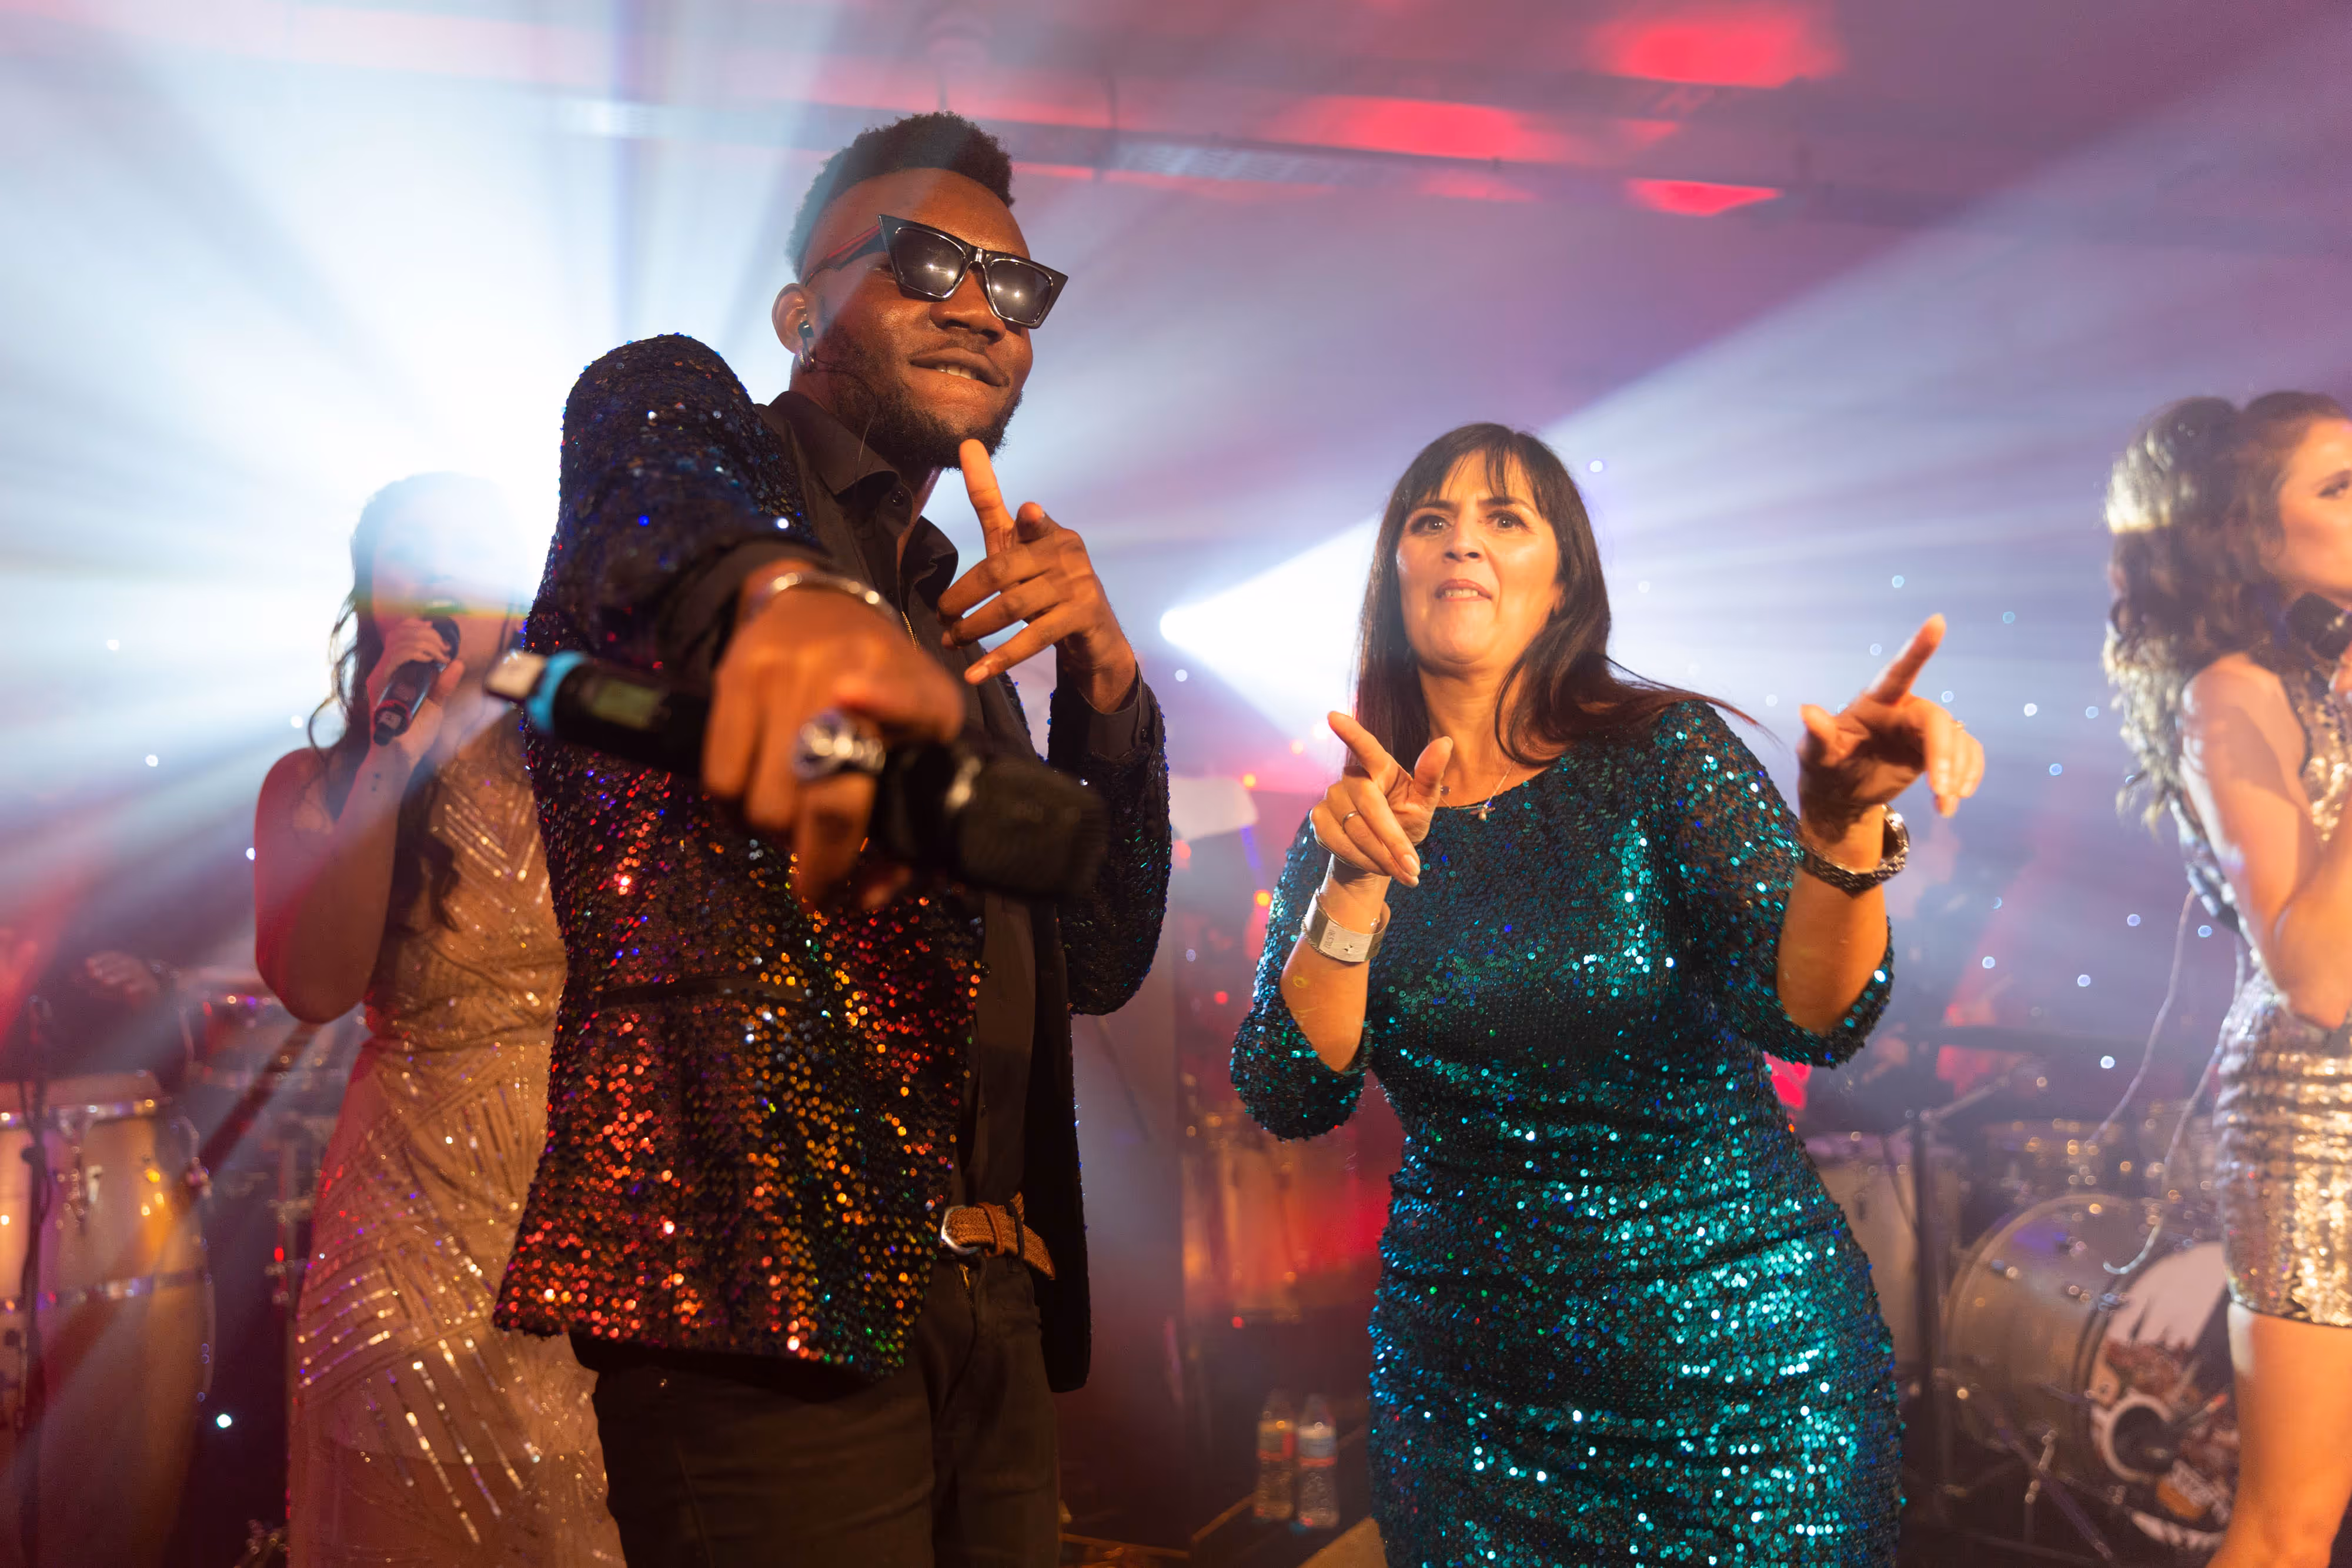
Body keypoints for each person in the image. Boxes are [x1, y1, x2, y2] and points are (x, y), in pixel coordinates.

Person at [490, 112, 1170, 1564]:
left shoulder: (960, 609)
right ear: (804, 311)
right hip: (758, 1289)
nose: (980, 304)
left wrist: (1103, 687)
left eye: (1017, 284)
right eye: (927, 258)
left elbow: (1100, 958)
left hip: (991, 1295)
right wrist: (784, 604)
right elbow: (660, 488)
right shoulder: (683, 429)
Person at [1230, 423, 1984, 1563]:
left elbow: (1813, 1016)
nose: (1459, 543)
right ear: (1391, 579)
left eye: (1502, 518)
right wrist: (1348, 896)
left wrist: (1833, 830)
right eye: (1426, 522)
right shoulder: (1352, 823)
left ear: (1562, 581)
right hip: (1467, 1407)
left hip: (1736, 1389)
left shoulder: (1659, 756)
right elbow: (1289, 1091)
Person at [253, 474, 623, 1565]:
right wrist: (390, 759)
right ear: (372, 603)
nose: (445, 584)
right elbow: (315, 985)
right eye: (414, 563)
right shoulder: (314, 784)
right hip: (407, 1227)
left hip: (583, 1213)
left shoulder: (590, 758)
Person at [2104, 392, 2352, 1567]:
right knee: (2290, 1518)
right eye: (2336, 488)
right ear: (2256, 538)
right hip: (2322, 1118)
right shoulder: (2233, 693)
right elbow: (2312, 972)